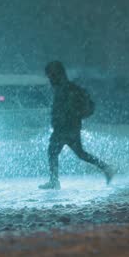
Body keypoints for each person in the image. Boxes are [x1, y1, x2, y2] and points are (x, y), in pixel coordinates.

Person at [40, 60, 113, 190]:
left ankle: (54, 181)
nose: (49, 79)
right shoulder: (65, 88)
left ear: (56, 74)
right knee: (80, 153)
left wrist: (61, 121)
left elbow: (65, 109)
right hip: (70, 127)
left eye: (50, 75)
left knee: (52, 152)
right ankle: (105, 168)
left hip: (64, 128)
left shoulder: (65, 89)